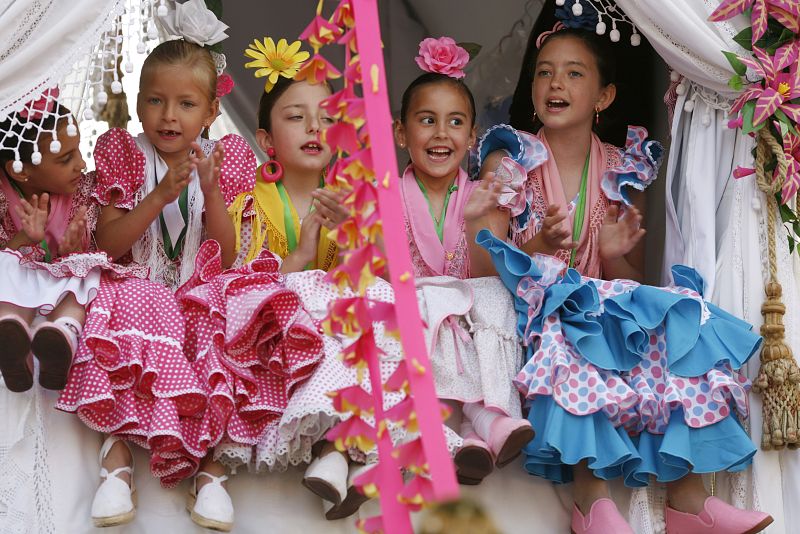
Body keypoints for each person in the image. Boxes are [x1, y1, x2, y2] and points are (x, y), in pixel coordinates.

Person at [477, 24, 773, 534]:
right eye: (544, 73)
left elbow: (623, 278)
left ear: (604, 95)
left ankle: (688, 501)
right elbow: (480, 267)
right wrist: (539, 247)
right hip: (531, 308)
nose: (555, 84)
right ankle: (591, 504)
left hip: (596, 307)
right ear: (531, 89)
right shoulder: (509, 160)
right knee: (576, 330)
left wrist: (613, 254)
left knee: (681, 315)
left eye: (574, 73)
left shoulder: (622, 166)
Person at [59, 28, 259, 529]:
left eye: (186, 103)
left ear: (212, 112)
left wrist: (211, 192)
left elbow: (226, 256)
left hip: (198, 288)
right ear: (138, 104)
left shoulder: (227, 155)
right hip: (139, 289)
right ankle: (117, 463)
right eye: (155, 100)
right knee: (132, 301)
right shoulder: (123, 151)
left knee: (230, 323)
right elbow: (107, 246)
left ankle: (212, 472)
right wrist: (156, 198)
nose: (169, 115)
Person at [393, 36, 533, 486]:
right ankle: (467, 430)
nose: (441, 134)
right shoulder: (383, 197)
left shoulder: (485, 196)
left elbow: (487, 276)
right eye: (426, 120)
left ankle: (485, 421)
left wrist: (476, 224)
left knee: (492, 296)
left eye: (455, 122)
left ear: (472, 137)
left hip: (468, 324)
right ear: (401, 132)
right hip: (413, 328)